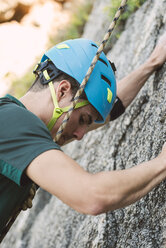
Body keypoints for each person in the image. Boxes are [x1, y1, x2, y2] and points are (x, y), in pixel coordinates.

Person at [0, 33, 166, 236]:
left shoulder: (14, 122)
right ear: (62, 91)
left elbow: (109, 112)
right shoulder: (14, 123)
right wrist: (161, 163)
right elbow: (92, 196)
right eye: (83, 120)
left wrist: (152, 63)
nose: (80, 135)